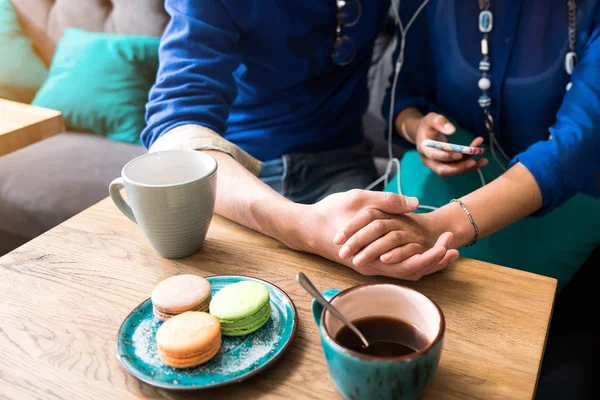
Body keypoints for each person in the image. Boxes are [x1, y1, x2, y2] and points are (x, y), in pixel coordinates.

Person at [333, 1, 599, 398]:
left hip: (565, 205)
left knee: (497, 361)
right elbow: (404, 96)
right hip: (440, 190)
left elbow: (577, 144)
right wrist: (419, 129)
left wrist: (439, 226)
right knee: (365, 309)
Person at [141, 0, 459, 279]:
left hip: (343, 163)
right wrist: (298, 227)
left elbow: (409, 91)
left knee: (390, 276)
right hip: (240, 175)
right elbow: (176, 127)